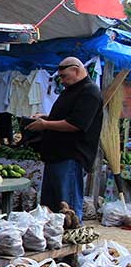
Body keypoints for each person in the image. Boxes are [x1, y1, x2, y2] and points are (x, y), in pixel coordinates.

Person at [27, 57, 102, 222]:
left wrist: (45, 124)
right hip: (55, 155)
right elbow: (66, 116)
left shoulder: (90, 92)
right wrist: (46, 117)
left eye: (64, 76)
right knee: (50, 208)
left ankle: (73, 244)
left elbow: (76, 124)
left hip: (71, 157)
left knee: (68, 208)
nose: (61, 80)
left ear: (75, 70)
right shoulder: (71, 90)